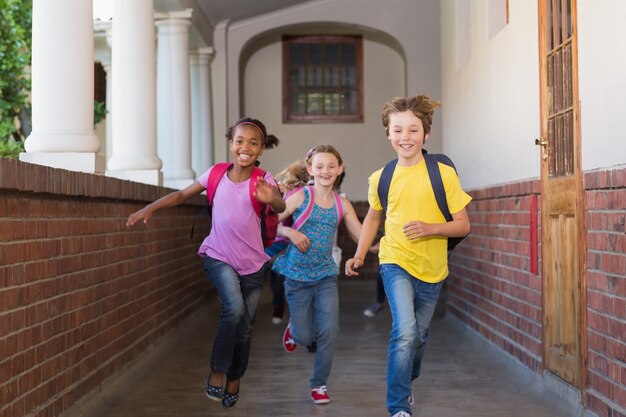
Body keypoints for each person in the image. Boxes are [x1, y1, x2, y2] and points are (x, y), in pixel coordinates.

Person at [126, 117, 286, 409]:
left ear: (261, 149)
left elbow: (280, 205)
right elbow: (182, 194)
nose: (245, 147)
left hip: (252, 263)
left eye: (253, 143)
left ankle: (235, 378)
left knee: (246, 326)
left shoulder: (263, 180)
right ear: (231, 144)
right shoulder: (215, 174)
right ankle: (217, 369)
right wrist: (151, 207)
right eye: (240, 141)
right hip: (218, 255)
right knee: (234, 308)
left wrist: (271, 197)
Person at [345, 95, 471, 417]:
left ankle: (408, 377)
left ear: (425, 134)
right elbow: (374, 218)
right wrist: (360, 254)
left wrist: (430, 228)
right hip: (394, 260)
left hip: (433, 267)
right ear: (388, 134)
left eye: (413, 130)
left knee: (419, 336)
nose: (405, 137)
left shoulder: (442, 174)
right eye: (398, 130)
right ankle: (398, 405)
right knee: (403, 331)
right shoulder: (381, 178)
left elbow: (462, 225)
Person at [271, 145, 367, 405]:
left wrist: (382, 245)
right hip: (296, 276)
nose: (326, 171)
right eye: (320, 166)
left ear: (340, 169)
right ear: (310, 169)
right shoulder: (301, 196)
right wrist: (291, 233)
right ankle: (293, 330)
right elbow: (271, 224)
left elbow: (361, 235)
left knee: (330, 331)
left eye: (331, 166)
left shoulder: (341, 203)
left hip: (325, 276)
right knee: (304, 336)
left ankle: (319, 384)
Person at [265, 159, 310, 325]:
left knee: (282, 279)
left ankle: (287, 310)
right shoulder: (290, 193)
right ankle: (279, 305)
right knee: (274, 275)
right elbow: (273, 221)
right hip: (278, 239)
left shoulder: (310, 195)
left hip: (291, 242)